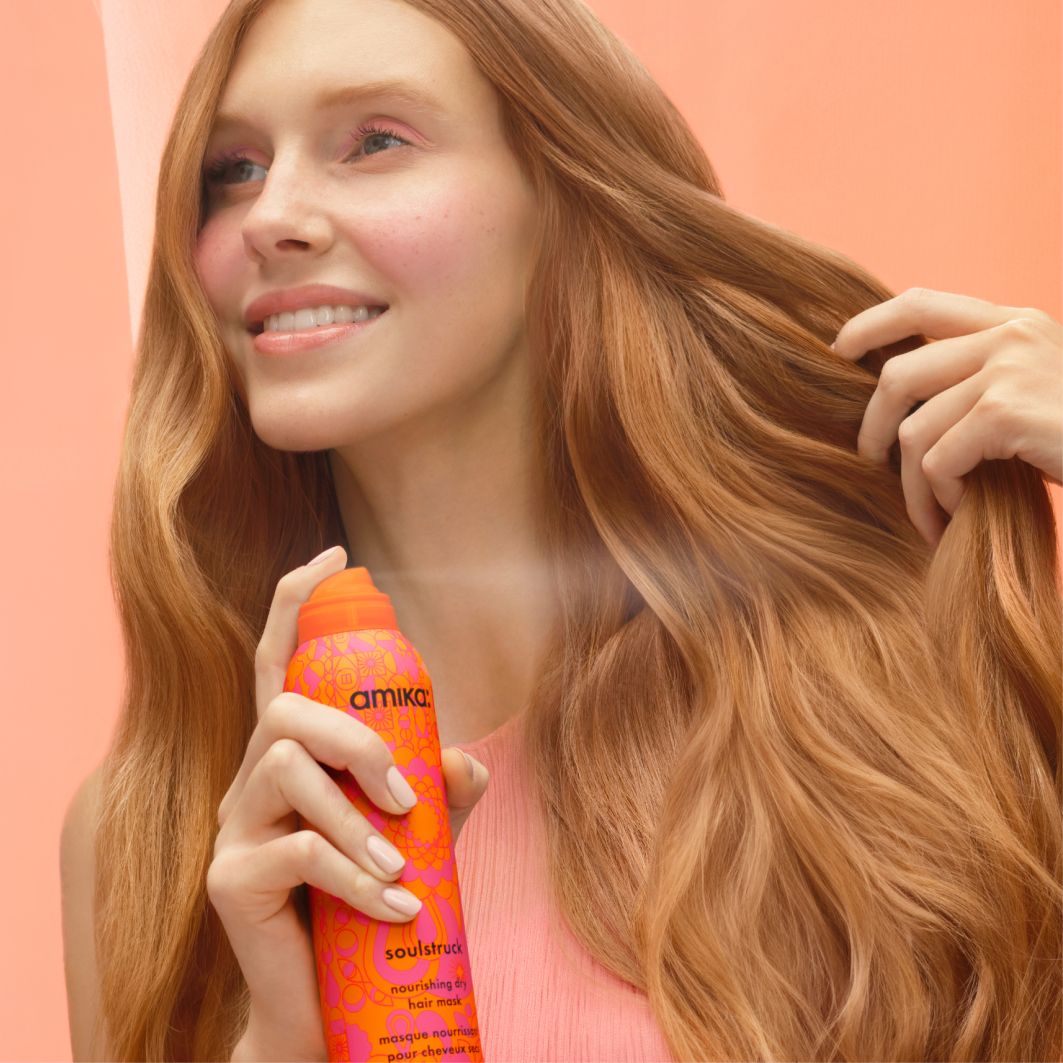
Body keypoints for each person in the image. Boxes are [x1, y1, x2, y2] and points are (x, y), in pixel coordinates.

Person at [60, 0, 1063, 1059]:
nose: (272, 214)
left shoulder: (864, 698)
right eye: (234, 169)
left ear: (561, 196)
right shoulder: (147, 836)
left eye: (374, 141)